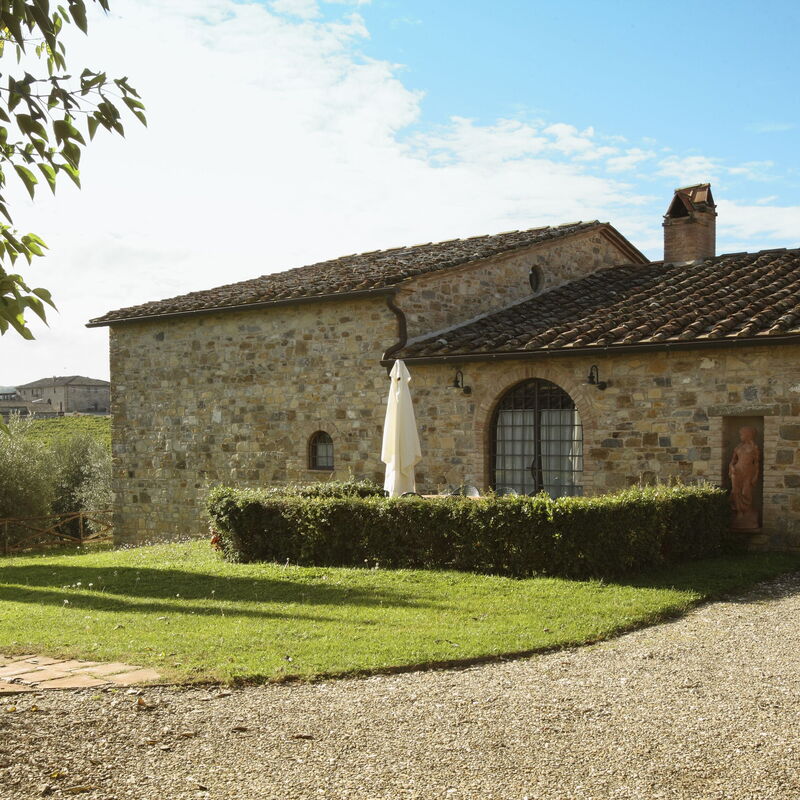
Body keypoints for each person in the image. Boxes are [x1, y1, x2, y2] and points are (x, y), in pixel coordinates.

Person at [729, 426, 760, 530]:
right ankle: (739, 512)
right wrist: (732, 467)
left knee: (746, 492)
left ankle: (747, 512)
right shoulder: (738, 448)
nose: (740, 436)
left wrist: (755, 476)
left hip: (748, 473)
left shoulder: (754, 448)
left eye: (742, 434)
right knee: (735, 491)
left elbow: (756, 463)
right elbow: (732, 461)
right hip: (737, 472)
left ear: (748, 435)